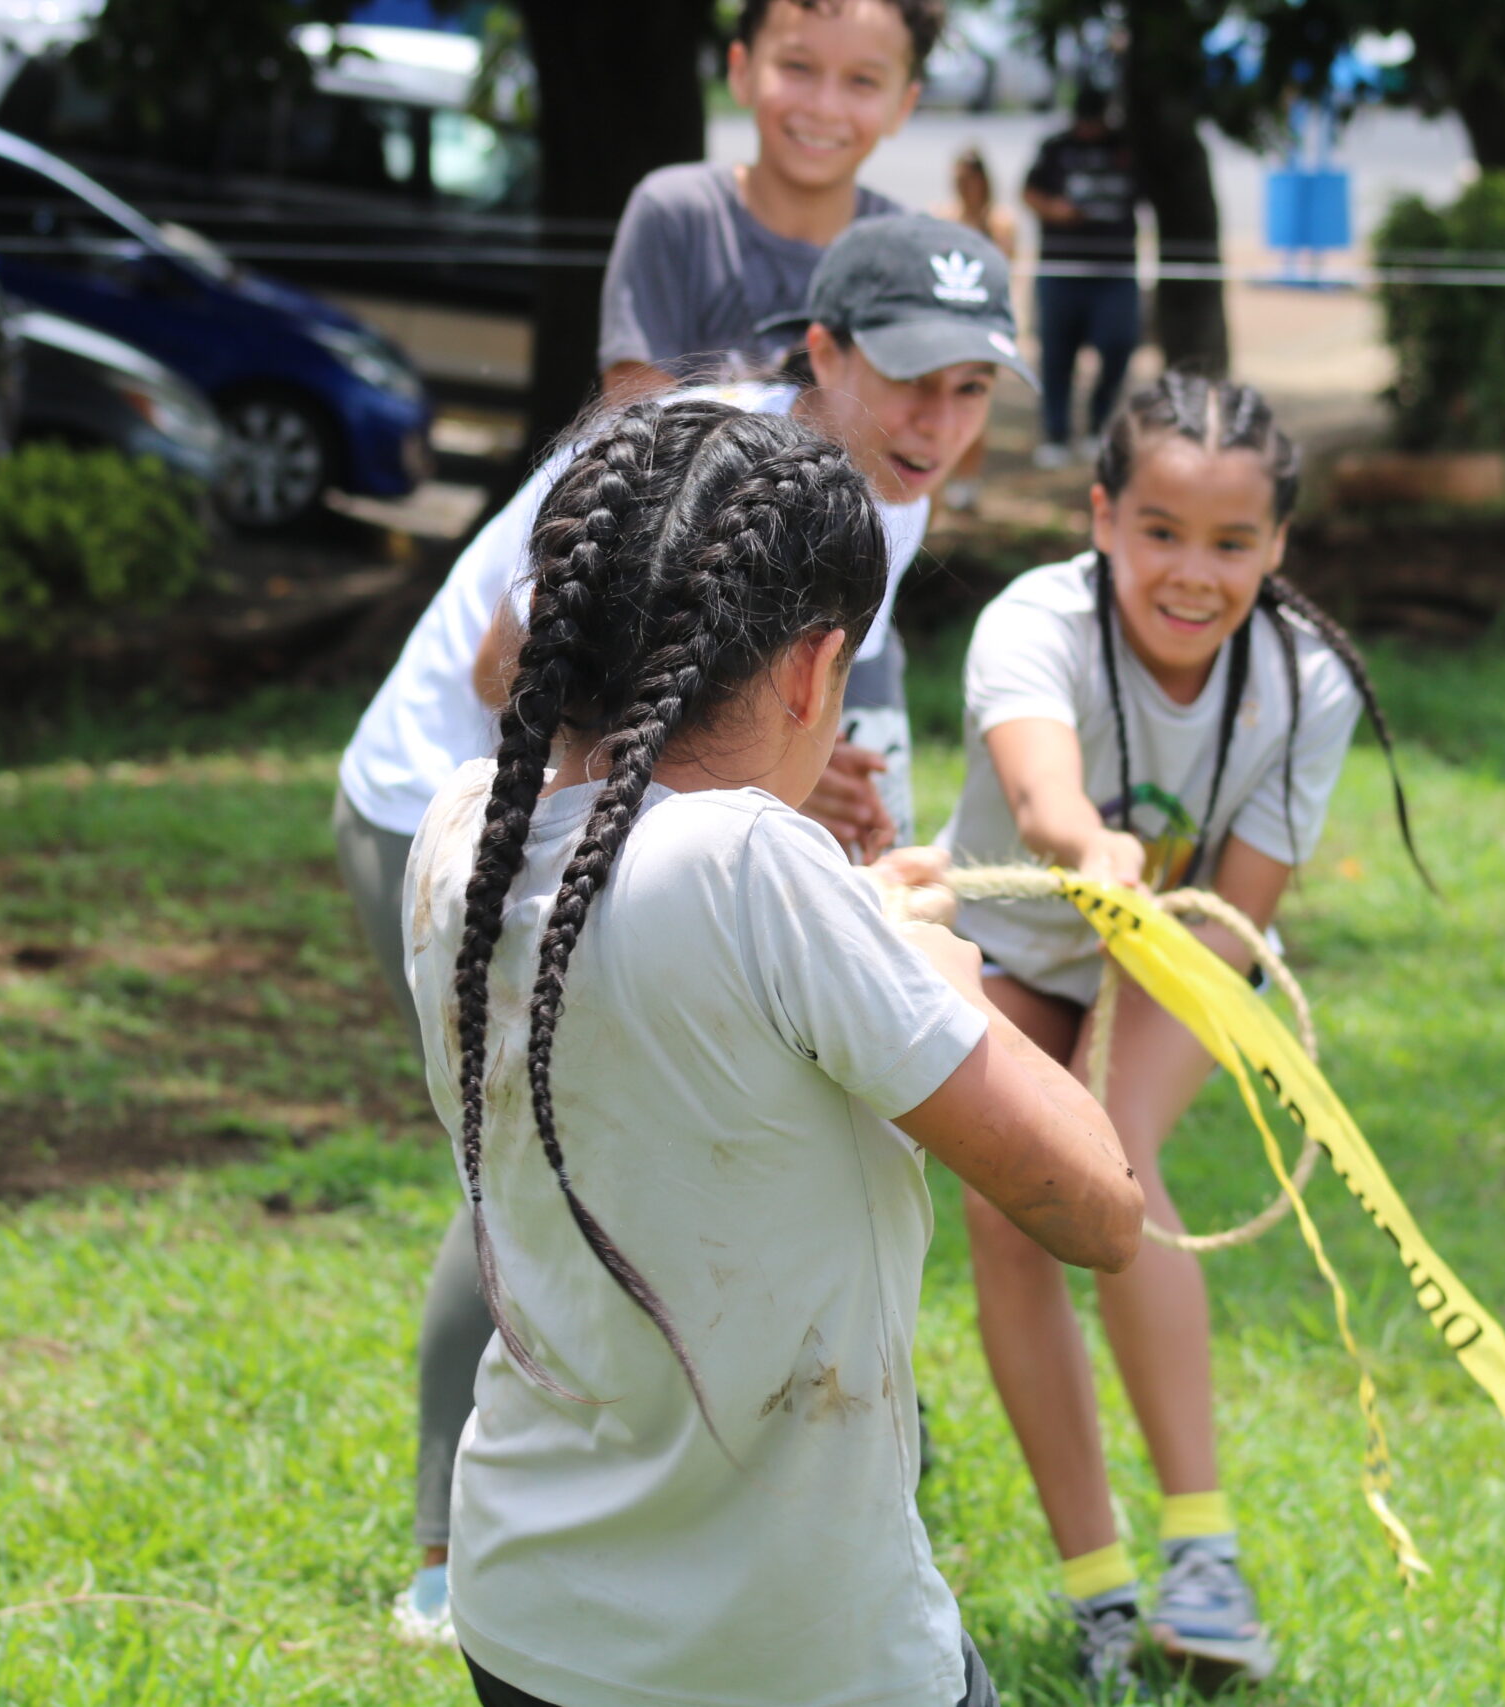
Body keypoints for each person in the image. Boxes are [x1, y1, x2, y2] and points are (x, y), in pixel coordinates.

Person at [337, 213, 1029, 1643]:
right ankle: (448, 1548)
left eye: (972, 388)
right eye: (908, 377)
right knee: (545, 1138)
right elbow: (513, 665)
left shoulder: (878, 490)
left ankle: (716, 1496)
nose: (937, 420)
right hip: (454, 795)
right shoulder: (700, 452)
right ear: (820, 352)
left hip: (630, 819)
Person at [403, 396, 1140, 1707]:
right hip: (784, 1655)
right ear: (814, 671)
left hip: (527, 1622)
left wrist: (858, 914)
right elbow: (1092, 1203)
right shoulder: (748, 864)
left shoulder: (463, 832)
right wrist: (936, 964)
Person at [935, 373, 1430, 1688]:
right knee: (1011, 1205)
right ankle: (1101, 1588)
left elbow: (1237, 922)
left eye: (1230, 542)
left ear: (1277, 547)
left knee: (1115, 1172)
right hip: (1003, 945)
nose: (1193, 572)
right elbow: (1042, 792)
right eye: (1160, 530)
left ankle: (1204, 1563)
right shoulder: (1031, 621)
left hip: (1174, 959)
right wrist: (1088, 844)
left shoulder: (1302, 682)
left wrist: (1137, 949)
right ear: (1102, 516)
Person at [597, 0, 939, 400]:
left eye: (863, 80)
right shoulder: (676, 213)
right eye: (798, 66)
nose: (824, 107)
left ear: (903, 106)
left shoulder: (911, 254)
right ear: (741, 71)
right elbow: (637, 436)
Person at [1022, 85, 1139, 471]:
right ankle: (1056, 435)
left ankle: (1098, 425)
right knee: (1057, 354)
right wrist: (1055, 210)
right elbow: (1029, 191)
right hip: (1062, 270)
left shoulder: (1126, 147)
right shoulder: (1056, 147)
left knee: (1118, 344)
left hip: (1115, 272)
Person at [932, 144, 1018, 512]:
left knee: (973, 401)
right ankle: (944, 476)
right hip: (945, 322)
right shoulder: (940, 216)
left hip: (981, 322)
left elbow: (1002, 273)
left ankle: (969, 479)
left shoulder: (1000, 222)